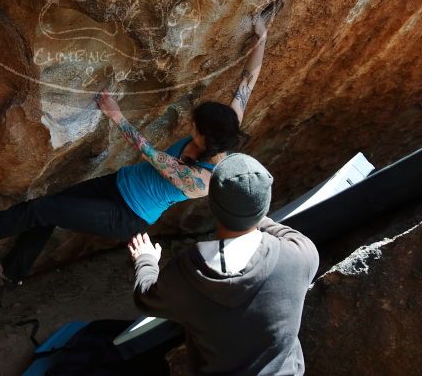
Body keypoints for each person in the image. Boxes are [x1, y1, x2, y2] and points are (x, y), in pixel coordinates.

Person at [0, 17, 269, 284]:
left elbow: (149, 152)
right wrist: (261, 36)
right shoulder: (226, 127)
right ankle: (15, 270)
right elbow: (248, 80)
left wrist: (116, 116)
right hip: (117, 184)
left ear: (207, 138)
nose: (189, 127)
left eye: (195, 127)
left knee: (42, 210)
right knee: (48, 210)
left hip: (126, 216)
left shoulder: (199, 180)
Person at [128, 153, 319, 375]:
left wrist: (146, 260)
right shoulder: (300, 255)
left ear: (212, 206)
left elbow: (145, 298)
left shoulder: (187, 273)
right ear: (264, 205)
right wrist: (249, 208)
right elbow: (282, 231)